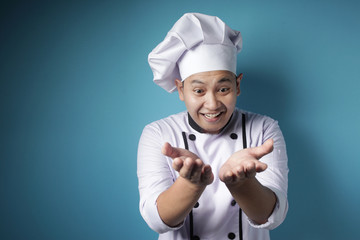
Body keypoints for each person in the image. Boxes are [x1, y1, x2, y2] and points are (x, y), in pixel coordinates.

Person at [137, 13, 288, 240]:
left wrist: (242, 185)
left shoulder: (264, 128)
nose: (212, 104)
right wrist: (190, 184)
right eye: (198, 91)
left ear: (237, 86)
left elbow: (273, 216)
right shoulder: (158, 133)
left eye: (223, 89)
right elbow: (156, 219)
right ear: (181, 90)